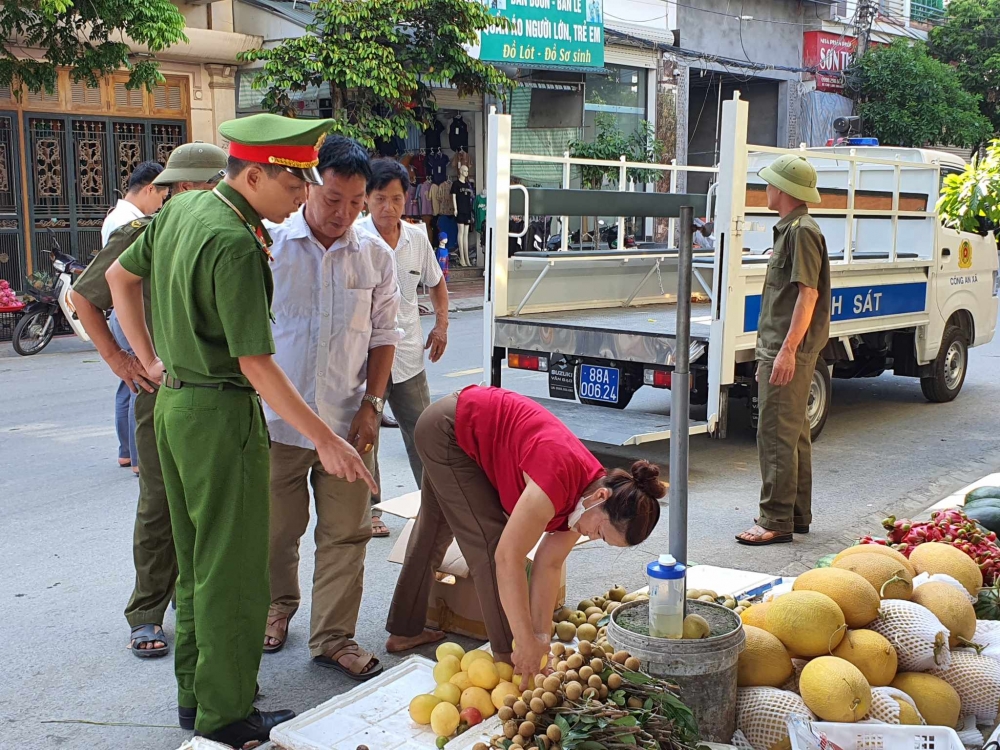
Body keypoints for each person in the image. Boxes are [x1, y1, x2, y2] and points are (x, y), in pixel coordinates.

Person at [106, 113, 376, 747]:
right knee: (232, 571)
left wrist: (149, 361)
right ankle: (227, 716)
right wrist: (326, 439)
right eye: (294, 183)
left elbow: (120, 278)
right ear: (255, 175)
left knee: (200, 563)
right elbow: (257, 363)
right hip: (221, 416)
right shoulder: (235, 237)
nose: (300, 197)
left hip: (175, 409)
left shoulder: (181, 211)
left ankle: (196, 698)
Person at [384, 386, 664, 682]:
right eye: (601, 533)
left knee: (434, 527)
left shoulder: (587, 499)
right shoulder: (556, 479)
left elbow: (550, 563)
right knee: (489, 545)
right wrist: (525, 645)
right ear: (601, 498)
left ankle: (404, 630)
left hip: (464, 433)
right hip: (449, 430)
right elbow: (506, 558)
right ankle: (510, 662)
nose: (592, 538)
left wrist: (541, 637)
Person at [73, 142, 228, 660]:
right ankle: (146, 613)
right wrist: (124, 361)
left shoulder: (230, 233)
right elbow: (84, 298)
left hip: (221, 392)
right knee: (161, 503)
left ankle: (200, 604)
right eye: (212, 185)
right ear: (183, 188)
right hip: (161, 392)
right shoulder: (140, 236)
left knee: (216, 507)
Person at [261, 137, 401, 683]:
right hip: (279, 424)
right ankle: (277, 607)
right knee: (276, 531)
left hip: (348, 424)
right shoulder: (269, 246)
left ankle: (334, 637)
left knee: (347, 534)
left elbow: (384, 335)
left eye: (356, 202)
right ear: (308, 188)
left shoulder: (375, 256)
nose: (344, 214)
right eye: (333, 199)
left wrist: (372, 404)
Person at [736, 154, 830, 546]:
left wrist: (787, 351)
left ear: (785, 191)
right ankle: (795, 513)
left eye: (771, 183)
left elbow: (807, 296)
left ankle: (775, 519)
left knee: (775, 434)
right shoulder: (792, 229)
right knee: (793, 434)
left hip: (786, 349)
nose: (766, 189)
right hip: (780, 347)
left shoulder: (801, 232)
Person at [357, 159, 449, 539]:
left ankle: (432, 508)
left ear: (406, 200)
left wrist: (441, 324)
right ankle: (371, 510)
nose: (388, 208)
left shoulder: (417, 239)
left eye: (396, 199)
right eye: (380, 199)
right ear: (366, 199)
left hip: (409, 356)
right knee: (366, 436)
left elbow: (436, 282)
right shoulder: (355, 238)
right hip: (363, 359)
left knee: (423, 433)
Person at [101, 161, 168, 476]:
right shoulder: (132, 222)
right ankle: (141, 458)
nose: (162, 204)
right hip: (131, 308)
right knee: (141, 379)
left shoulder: (117, 216)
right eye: (162, 195)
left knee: (129, 381)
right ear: (150, 187)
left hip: (122, 308)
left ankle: (127, 452)